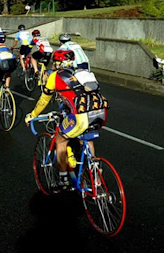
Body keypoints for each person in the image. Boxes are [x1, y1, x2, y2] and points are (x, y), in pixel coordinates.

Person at [24, 49, 109, 189]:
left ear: (58, 63)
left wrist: (32, 115)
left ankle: (63, 180)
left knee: (60, 140)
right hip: (101, 112)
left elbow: (43, 101)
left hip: (81, 115)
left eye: (54, 62)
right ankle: (95, 173)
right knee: (86, 138)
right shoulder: (83, 72)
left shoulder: (55, 76)